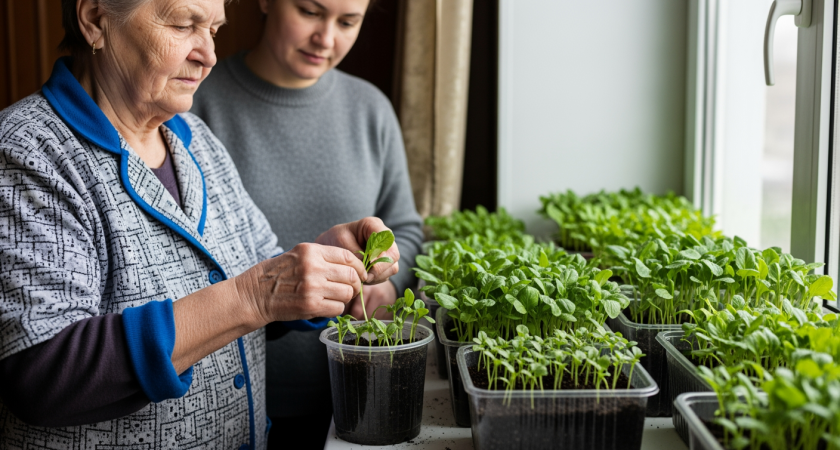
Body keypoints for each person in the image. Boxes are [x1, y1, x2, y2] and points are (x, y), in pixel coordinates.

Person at [0, 0, 401, 448]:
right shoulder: (27, 151)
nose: (208, 55)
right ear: (95, 19)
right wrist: (257, 295)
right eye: (182, 24)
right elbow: (40, 372)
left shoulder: (195, 141)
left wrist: (319, 268)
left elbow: (256, 279)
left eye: (213, 30)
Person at [190, 0, 423, 446]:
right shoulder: (194, 103)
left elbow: (406, 227)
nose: (326, 38)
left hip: (353, 390)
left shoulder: (370, 109)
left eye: (348, 22)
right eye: (310, 12)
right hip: (229, 399)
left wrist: (388, 282)